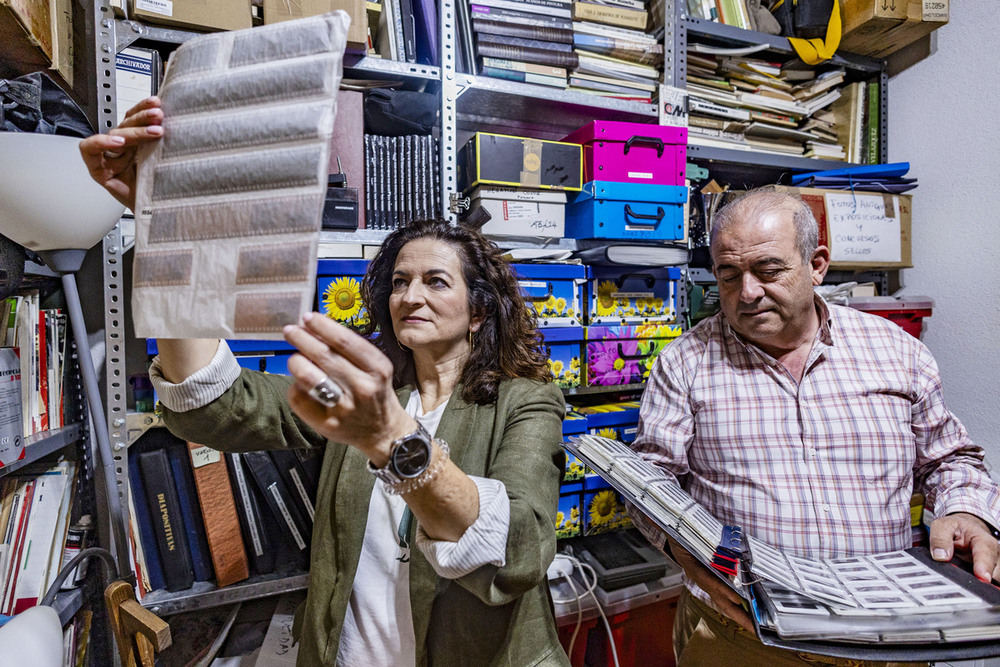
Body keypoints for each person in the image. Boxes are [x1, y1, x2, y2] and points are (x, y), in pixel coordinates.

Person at [80, 98, 571, 666]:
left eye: (436, 281)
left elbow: (518, 547)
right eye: (400, 282)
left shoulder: (525, 401)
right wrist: (165, 226)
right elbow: (214, 399)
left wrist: (393, 439)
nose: (410, 297)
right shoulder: (357, 390)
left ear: (480, 312)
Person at [629, 189, 1000, 666]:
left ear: (816, 264)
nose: (746, 293)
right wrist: (689, 560)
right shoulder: (683, 363)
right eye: (728, 275)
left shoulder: (895, 351)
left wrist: (965, 512)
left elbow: (950, 459)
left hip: (888, 634)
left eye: (767, 271)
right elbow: (648, 485)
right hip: (741, 634)